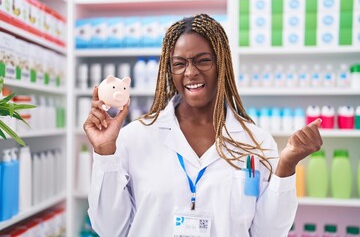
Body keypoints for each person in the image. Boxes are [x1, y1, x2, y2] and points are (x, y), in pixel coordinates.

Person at [83, 13, 322, 237]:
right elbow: (110, 228)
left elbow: (267, 232)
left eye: (203, 61)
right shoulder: (135, 137)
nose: (190, 72)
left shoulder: (256, 142)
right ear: (169, 70)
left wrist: (287, 166)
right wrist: (104, 152)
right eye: (179, 64)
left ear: (222, 64)